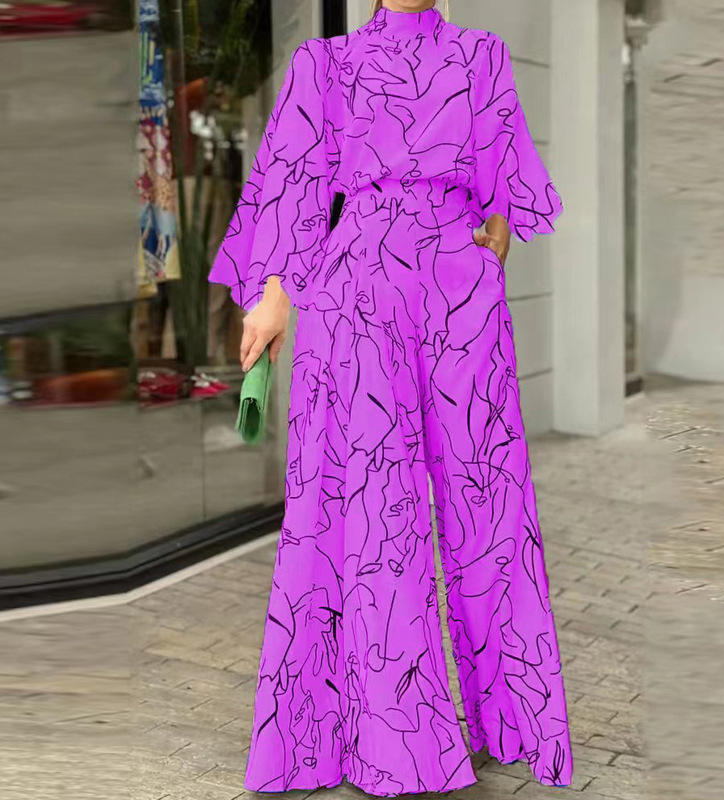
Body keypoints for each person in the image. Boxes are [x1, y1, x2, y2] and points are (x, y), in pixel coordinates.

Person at [208, 1, 572, 795]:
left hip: (461, 292)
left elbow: (503, 184)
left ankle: (514, 719)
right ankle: (390, 740)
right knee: (374, 508)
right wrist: (272, 301)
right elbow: (295, 190)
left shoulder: (481, 55)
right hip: (358, 296)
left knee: (489, 497)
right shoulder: (325, 64)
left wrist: (493, 240)